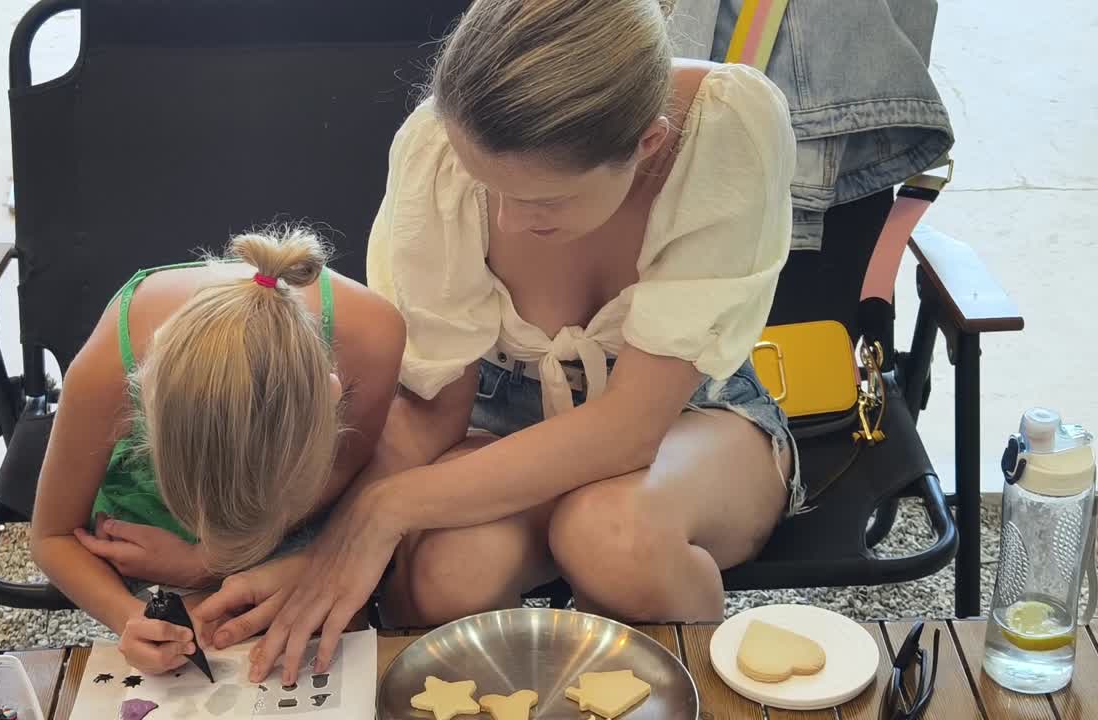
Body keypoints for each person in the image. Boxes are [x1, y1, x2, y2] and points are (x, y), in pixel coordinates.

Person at [198, 0, 800, 685]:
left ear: (648, 145)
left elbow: (630, 431)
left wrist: (383, 510)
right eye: (488, 188)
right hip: (500, 414)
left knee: (612, 537)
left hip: (692, 418)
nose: (507, 221)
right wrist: (326, 548)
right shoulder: (439, 147)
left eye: (544, 201)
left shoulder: (724, 126)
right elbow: (432, 411)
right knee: (450, 572)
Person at [29, 227, 405, 674]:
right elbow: (51, 537)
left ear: (332, 401)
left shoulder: (374, 337)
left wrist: (208, 565)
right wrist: (132, 619)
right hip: (152, 548)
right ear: (142, 404)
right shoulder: (105, 371)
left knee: (329, 644)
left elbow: (356, 481)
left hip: (302, 537)